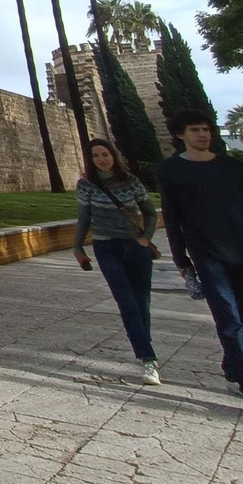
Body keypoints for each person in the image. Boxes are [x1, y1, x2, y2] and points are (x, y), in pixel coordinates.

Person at [159, 109, 243, 413]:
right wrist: (181, 259)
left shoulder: (233, 167)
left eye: (207, 129)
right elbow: (171, 217)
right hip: (207, 256)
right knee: (229, 321)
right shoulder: (170, 171)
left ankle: (233, 368)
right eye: (195, 130)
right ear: (181, 135)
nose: (204, 135)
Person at [73, 140, 160, 384]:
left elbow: (151, 213)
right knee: (126, 301)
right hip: (106, 247)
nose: (102, 159)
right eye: (96, 156)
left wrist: (145, 239)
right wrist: (78, 247)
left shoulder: (131, 181)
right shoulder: (86, 184)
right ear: (90, 160)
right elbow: (83, 217)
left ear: (114, 155)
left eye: (105, 154)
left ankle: (145, 348)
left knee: (142, 302)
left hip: (135, 246)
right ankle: (148, 358)